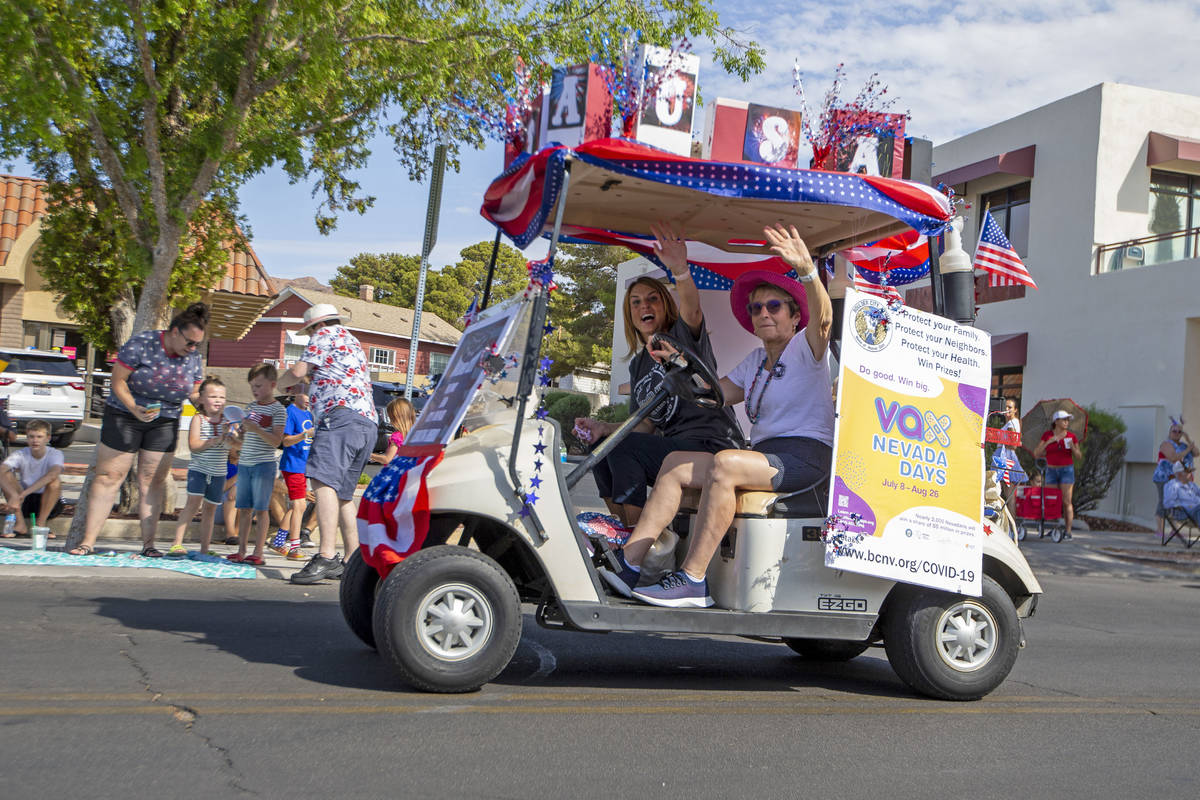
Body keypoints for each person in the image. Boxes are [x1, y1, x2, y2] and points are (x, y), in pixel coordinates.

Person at [601, 224, 834, 608]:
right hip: (765, 456)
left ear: (795, 318)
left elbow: (824, 320)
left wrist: (806, 268)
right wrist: (678, 365)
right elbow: (713, 394)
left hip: (804, 458)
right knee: (675, 464)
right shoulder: (756, 361)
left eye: (774, 306)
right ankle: (630, 566)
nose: (763, 313)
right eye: (756, 307)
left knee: (725, 464)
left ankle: (692, 581)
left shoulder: (806, 349)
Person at [574, 223, 742, 526]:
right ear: (631, 316)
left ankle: (639, 545)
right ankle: (621, 529)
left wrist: (680, 271)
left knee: (623, 447)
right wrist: (602, 428)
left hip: (710, 444)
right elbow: (645, 425)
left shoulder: (681, 336)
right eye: (636, 303)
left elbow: (692, 311)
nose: (644, 306)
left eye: (652, 299)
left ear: (664, 306)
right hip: (673, 447)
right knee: (601, 448)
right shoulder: (638, 364)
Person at [69, 303, 208, 556]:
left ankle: (149, 545)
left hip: (165, 419)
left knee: (152, 481)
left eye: (197, 344)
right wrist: (134, 408)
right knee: (110, 476)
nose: (192, 349)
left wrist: (207, 402)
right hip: (125, 413)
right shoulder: (143, 343)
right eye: (189, 343)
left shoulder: (193, 358)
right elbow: (118, 380)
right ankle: (87, 542)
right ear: (174, 332)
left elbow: (194, 392)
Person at [276, 303, 379, 584]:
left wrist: (279, 383)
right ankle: (352, 559)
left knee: (322, 482)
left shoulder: (322, 335)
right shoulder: (352, 340)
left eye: (309, 329)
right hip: (366, 422)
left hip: (339, 418)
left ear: (315, 326)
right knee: (344, 493)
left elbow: (297, 372)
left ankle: (325, 555)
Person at [165, 377, 235, 558]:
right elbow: (194, 445)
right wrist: (215, 440)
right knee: (192, 505)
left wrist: (234, 437)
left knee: (210, 509)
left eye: (221, 397)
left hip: (219, 473)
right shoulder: (199, 419)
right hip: (199, 470)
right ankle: (176, 543)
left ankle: (205, 548)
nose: (218, 400)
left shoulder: (227, 421)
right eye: (213, 396)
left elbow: (236, 447)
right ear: (202, 399)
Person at [228, 364, 286, 566]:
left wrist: (257, 428)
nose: (255, 390)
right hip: (245, 463)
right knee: (244, 508)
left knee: (261, 510)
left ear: (272, 385)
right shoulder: (250, 408)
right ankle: (241, 550)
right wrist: (235, 437)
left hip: (264, 464)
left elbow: (277, 441)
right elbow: (245, 437)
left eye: (259, 386)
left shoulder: (278, 409)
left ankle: (258, 552)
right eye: (252, 386)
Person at [0, 419, 65, 537]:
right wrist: (14, 495)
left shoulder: (55, 454)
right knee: (7, 474)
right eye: (31, 437)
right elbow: (2, 470)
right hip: (23, 502)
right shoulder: (20, 454)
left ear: (48, 438)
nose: (35, 441)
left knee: (55, 482)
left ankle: (40, 525)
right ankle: (20, 525)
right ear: (27, 438)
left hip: (47, 501)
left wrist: (23, 494)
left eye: (39, 437)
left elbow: (53, 474)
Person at [270, 391, 314, 559]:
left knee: (298, 506)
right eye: (306, 393)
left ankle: (280, 541)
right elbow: (286, 441)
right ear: (295, 393)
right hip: (292, 465)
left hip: (303, 466)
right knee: (298, 506)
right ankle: (294, 545)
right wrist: (305, 434)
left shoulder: (308, 413)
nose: (309, 397)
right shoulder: (290, 412)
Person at [1034, 409, 1079, 537]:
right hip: (1051, 470)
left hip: (1066, 470)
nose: (1066, 422)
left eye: (1068, 420)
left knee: (1066, 501)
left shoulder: (1071, 436)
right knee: (1051, 501)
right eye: (1064, 419)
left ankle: (1068, 531)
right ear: (1056, 421)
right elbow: (1037, 453)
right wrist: (1049, 442)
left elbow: (1079, 456)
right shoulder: (1047, 435)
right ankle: (1054, 529)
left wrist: (1074, 447)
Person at [1152, 419, 1198, 535]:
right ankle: (1160, 530)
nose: (1176, 433)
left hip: (1180, 479)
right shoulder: (1166, 444)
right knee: (1164, 501)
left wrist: (1187, 440)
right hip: (1164, 477)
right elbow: (1173, 457)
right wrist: (1188, 449)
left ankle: (1174, 529)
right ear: (1170, 432)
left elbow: (1197, 453)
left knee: (1177, 503)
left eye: (1179, 432)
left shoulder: (1183, 445)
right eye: (1174, 431)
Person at [370, 397, 416, 465]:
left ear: (396, 418)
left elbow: (387, 459)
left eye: (391, 418)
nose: (391, 422)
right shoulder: (416, 433)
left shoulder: (397, 436)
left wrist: (369, 454)